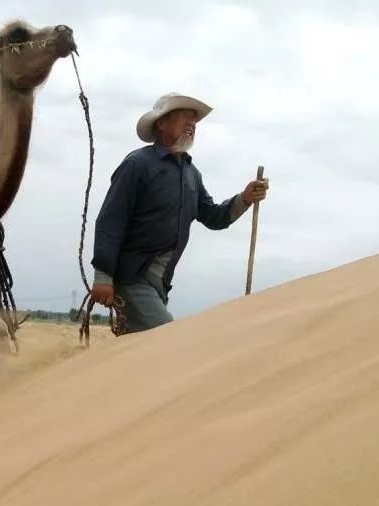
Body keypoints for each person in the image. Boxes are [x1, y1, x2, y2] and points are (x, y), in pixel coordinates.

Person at [90, 92, 269, 333]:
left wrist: (244, 199)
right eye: (185, 117)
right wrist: (103, 277)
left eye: (194, 121)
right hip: (132, 279)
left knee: (145, 349)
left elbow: (214, 217)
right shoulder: (138, 164)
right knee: (167, 337)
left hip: (161, 285)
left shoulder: (192, 174)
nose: (192, 124)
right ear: (161, 123)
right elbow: (111, 221)